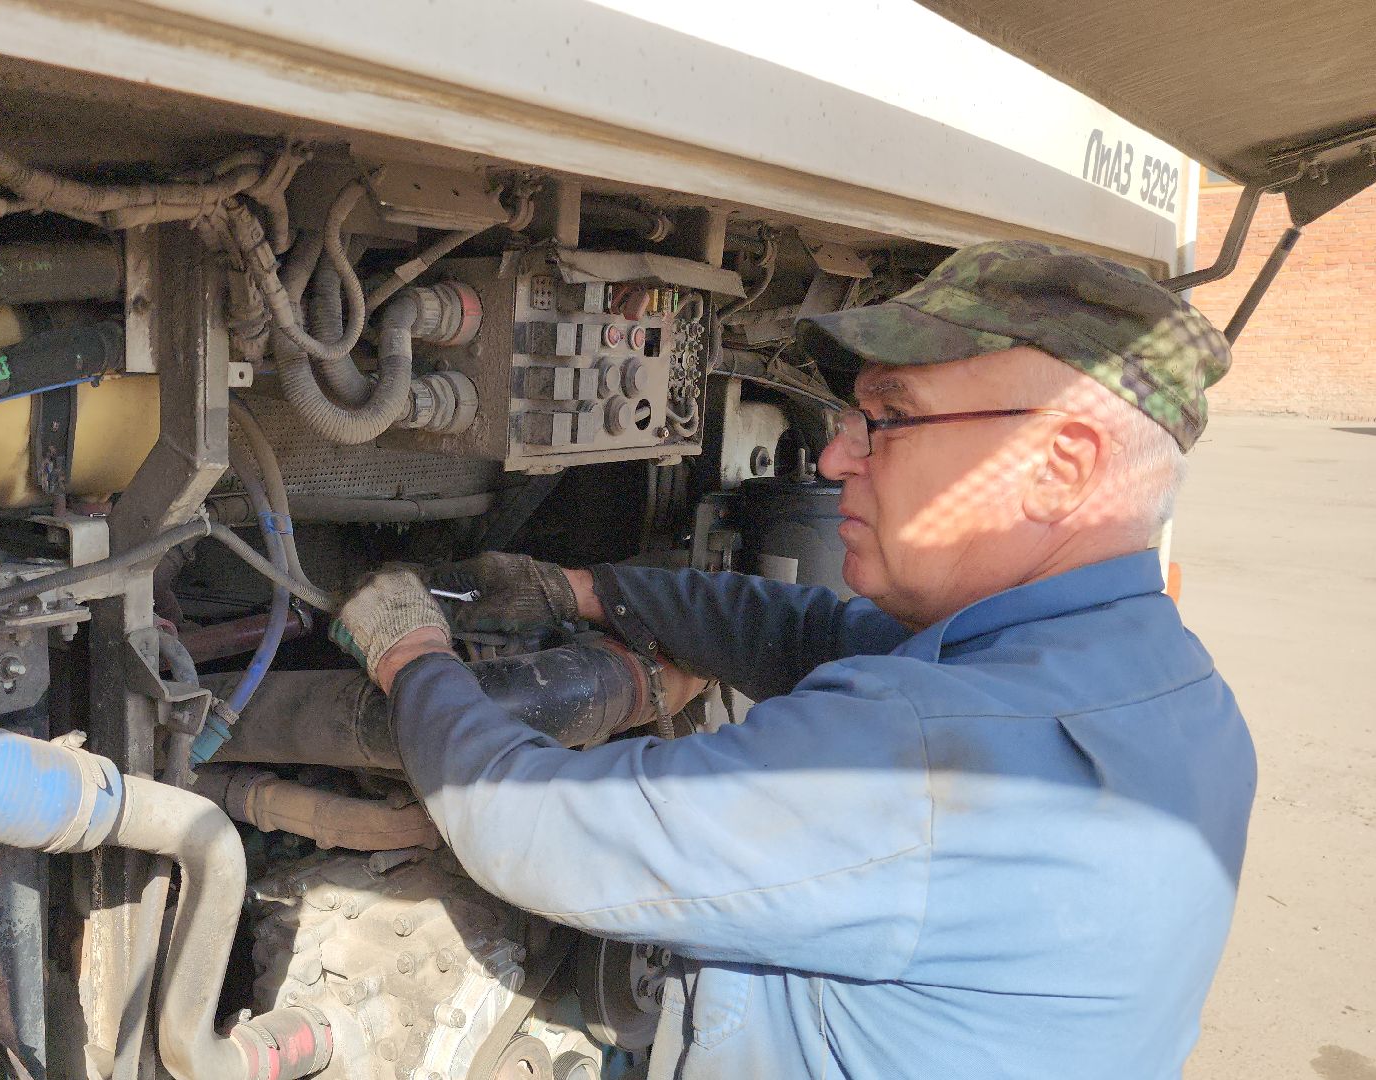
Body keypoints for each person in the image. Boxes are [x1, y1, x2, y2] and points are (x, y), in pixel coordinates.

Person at [327, 241, 1257, 1079]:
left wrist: (412, 655)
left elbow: (536, 830)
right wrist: (582, 591)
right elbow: (816, 632)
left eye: (891, 418)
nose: (837, 457)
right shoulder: (1170, 682)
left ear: (1061, 467)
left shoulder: (927, 754)